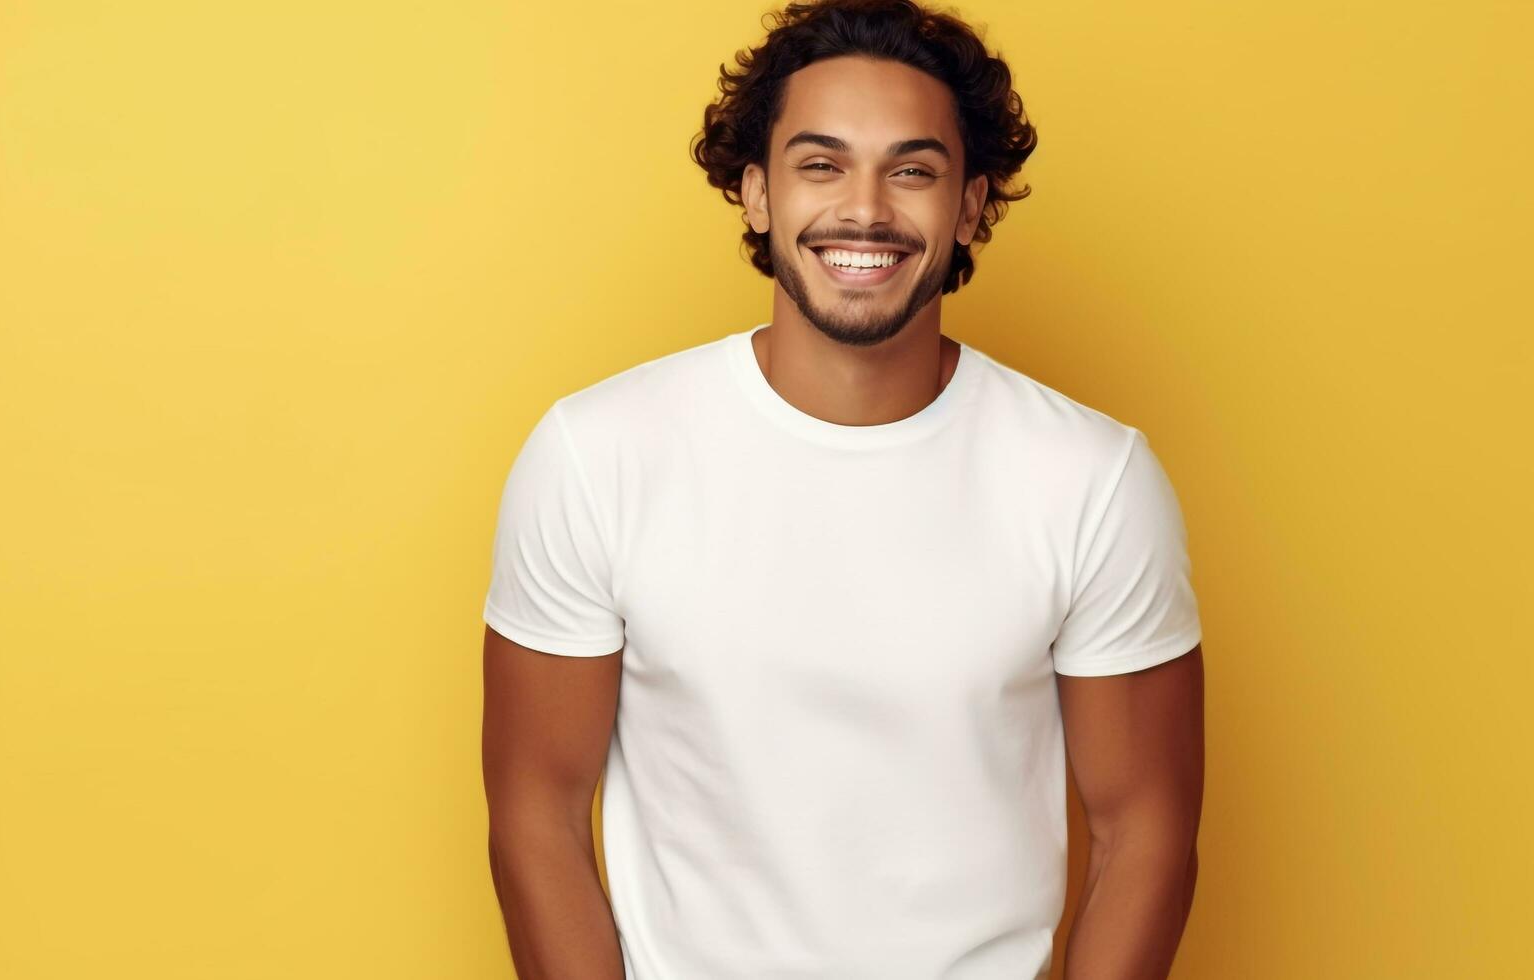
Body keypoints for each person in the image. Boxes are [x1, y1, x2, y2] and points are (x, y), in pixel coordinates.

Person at [480, 1, 1205, 977]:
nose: (864, 208)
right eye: (821, 163)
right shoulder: (597, 453)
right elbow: (538, 813)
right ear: (757, 193)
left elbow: (1143, 830)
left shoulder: (1091, 477)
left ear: (972, 204)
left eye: (912, 169)